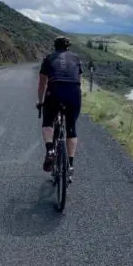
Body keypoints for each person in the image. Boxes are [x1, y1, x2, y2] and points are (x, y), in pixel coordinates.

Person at [36, 36, 83, 181]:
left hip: (55, 92)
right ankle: (70, 165)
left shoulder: (49, 58)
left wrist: (40, 101)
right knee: (71, 129)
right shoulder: (76, 58)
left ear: (55, 46)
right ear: (68, 47)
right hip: (74, 93)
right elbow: (79, 80)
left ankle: (50, 149)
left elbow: (42, 84)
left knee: (48, 122)